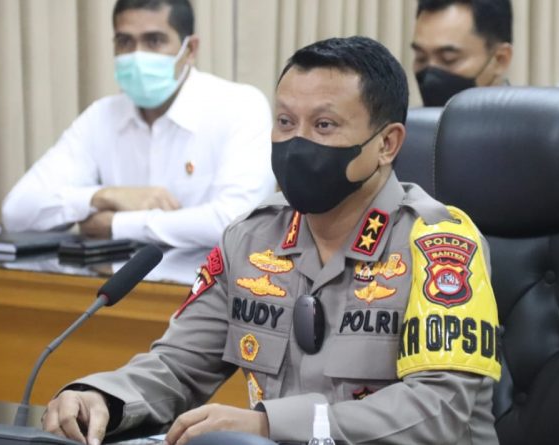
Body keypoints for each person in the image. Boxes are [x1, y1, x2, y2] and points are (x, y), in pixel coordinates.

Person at [41, 36, 502, 445]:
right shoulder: (250, 240)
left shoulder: (438, 246)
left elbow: (438, 409)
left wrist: (271, 425)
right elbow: (179, 366)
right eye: (285, 121)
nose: (296, 142)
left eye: (323, 125)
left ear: (387, 144)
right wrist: (103, 396)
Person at [1, 0, 275, 248]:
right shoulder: (101, 116)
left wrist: (117, 224)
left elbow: (238, 222)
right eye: (125, 42)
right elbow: (16, 212)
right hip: (114, 283)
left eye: (154, 41)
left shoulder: (239, 106)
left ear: (190, 50)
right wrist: (103, 196)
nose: (137, 55)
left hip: (207, 285)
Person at [411, 0, 513, 106]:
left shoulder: (522, 116)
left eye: (448, 59)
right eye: (421, 58)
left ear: (500, 59)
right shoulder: (409, 116)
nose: (430, 78)